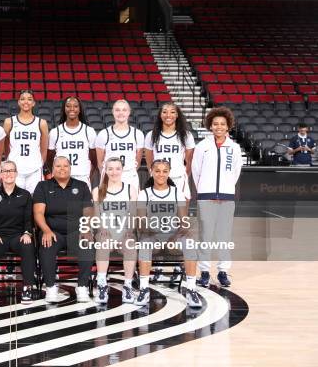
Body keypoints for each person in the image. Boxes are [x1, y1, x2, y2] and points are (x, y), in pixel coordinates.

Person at [136, 159, 202, 308]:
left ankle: (191, 289)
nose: (161, 174)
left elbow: (184, 222)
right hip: (152, 235)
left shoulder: (177, 193)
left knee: (190, 242)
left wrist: (173, 238)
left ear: (169, 173)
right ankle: (144, 289)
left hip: (173, 235)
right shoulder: (144, 194)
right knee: (145, 243)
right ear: (151, 172)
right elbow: (140, 222)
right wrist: (153, 234)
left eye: (165, 171)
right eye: (157, 171)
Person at [192, 107, 242, 288]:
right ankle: (204, 272)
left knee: (224, 236)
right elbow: (196, 171)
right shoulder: (202, 146)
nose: (219, 127)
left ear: (228, 126)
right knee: (205, 235)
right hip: (206, 196)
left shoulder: (235, 148)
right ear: (210, 126)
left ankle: (223, 271)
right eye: (215, 124)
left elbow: (235, 172)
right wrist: (206, 191)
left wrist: (225, 190)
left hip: (227, 197)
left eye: (222, 124)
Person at [33, 156, 94, 303]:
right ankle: (51, 287)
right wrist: (46, 231)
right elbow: (38, 213)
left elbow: (89, 211)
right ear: (53, 169)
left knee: (87, 244)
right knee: (47, 245)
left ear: (70, 168)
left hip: (76, 231)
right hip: (53, 232)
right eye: (58, 166)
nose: (62, 169)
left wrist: (86, 229)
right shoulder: (43, 186)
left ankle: (82, 287)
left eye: (65, 166)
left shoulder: (81, 185)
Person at [0, 160, 35, 305]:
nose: (8, 174)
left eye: (11, 170)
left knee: (28, 246)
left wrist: (27, 233)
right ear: (0, 175)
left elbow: (28, 220)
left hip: (18, 236)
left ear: (17, 173)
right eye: (5, 171)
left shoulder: (25, 195)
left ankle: (27, 288)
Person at [92, 157, 138, 304]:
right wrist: (103, 228)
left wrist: (128, 230)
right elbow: (97, 216)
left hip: (124, 232)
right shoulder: (97, 191)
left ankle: (128, 285)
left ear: (122, 170)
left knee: (130, 244)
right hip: (106, 233)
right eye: (110, 168)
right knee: (103, 241)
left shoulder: (130, 189)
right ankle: (101, 284)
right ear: (105, 170)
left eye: (117, 168)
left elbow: (133, 215)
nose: (114, 172)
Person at [144, 102, 194, 199]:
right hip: (159, 178)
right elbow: (149, 160)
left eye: (172, 112)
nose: (168, 115)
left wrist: (183, 173)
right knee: (158, 211)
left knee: (180, 211)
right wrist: (154, 173)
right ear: (160, 115)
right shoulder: (151, 135)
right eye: (164, 112)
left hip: (178, 177)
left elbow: (188, 160)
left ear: (177, 115)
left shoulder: (186, 135)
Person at [3, 90, 49, 194]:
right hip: (15, 169)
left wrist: (40, 163)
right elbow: (5, 145)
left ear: (34, 103)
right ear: (18, 102)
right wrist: (9, 160)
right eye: (22, 99)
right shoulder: (9, 122)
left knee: (35, 202)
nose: (26, 102)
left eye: (29, 99)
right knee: (14, 201)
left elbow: (44, 148)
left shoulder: (41, 123)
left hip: (34, 170)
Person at [47, 96, 97, 190]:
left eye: (75, 106)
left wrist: (87, 175)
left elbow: (94, 160)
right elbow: (49, 159)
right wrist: (56, 172)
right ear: (64, 109)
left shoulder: (89, 131)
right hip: (61, 177)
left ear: (80, 109)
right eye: (68, 106)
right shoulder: (55, 132)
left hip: (82, 176)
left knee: (82, 205)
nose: (72, 109)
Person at [95, 100, 144, 191]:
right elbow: (100, 162)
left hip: (130, 175)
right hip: (109, 175)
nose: (121, 113)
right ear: (113, 112)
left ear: (129, 112)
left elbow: (138, 161)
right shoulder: (103, 134)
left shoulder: (138, 134)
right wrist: (112, 171)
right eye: (117, 110)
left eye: (124, 110)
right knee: (107, 205)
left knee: (133, 204)